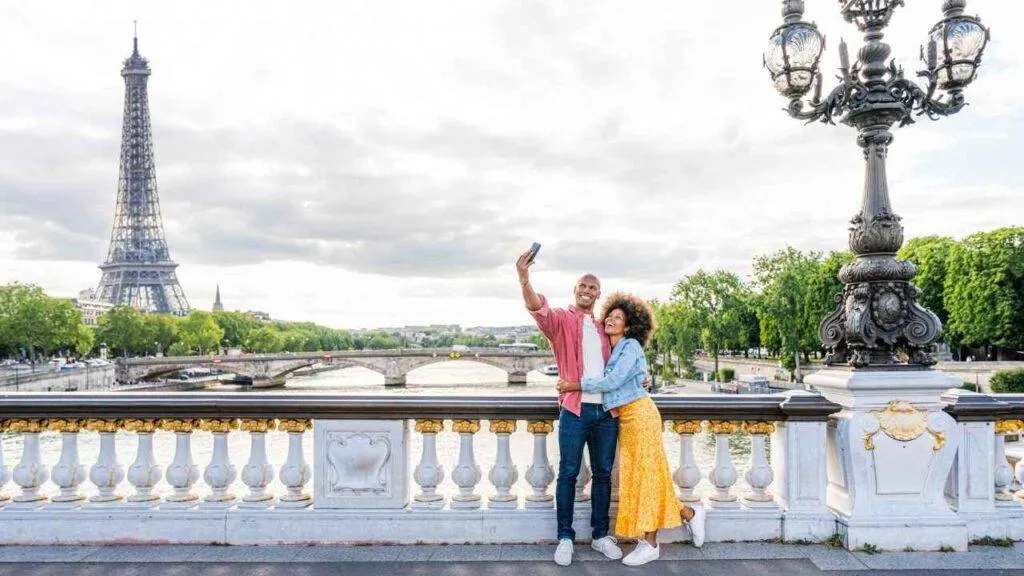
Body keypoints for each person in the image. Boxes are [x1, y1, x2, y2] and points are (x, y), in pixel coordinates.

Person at [557, 292, 706, 566]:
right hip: (624, 418)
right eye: (609, 316)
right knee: (642, 477)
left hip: (640, 415)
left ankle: (650, 543)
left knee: (646, 476)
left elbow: (613, 380)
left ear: (628, 326)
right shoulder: (610, 349)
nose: (611, 320)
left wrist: (574, 385)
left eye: (618, 318)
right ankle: (688, 513)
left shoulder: (631, 346)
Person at [516, 250, 623, 566]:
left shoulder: (606, 327)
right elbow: (537, 307)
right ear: (575, 290)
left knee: (603, 475)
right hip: (575, 410)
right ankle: (565, 537)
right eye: (583, 286)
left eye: (593, 288)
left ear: (598, 294)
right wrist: (524, 277)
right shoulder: (562, 319)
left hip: (606, 412)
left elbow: (623, 361)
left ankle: (601, 535)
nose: (587, 291)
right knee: (568, 473)